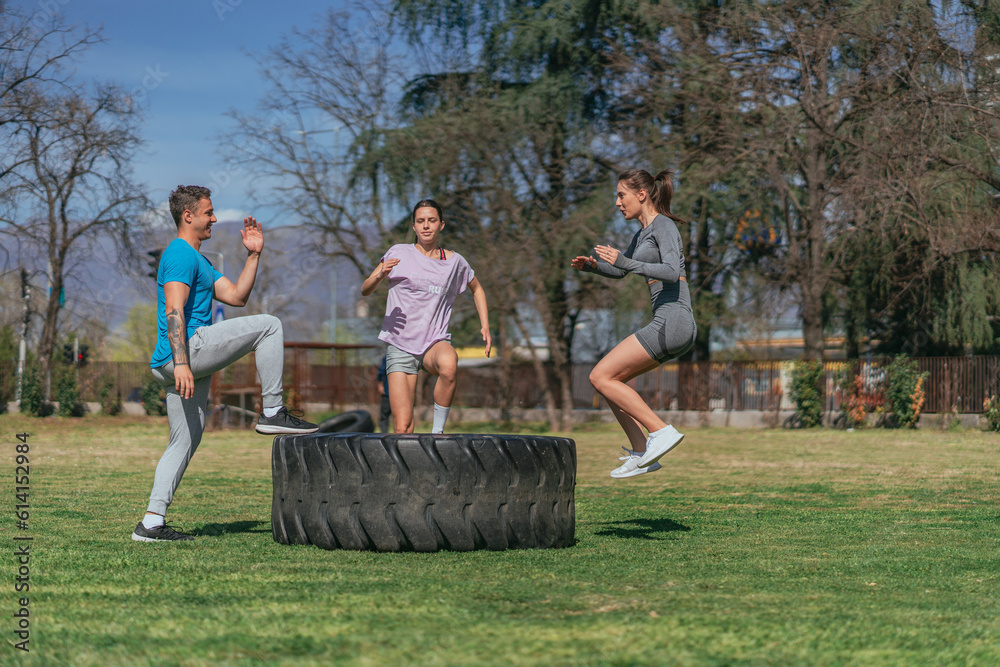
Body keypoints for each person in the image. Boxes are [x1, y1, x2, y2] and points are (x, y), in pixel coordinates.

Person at [132, 185, 318, 543]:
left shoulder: (199, 260)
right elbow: (174, 311)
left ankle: (151, 523)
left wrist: (253, 256)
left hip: (177, 359)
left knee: (183, 442)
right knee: (269, 325)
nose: (214, 218)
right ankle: (273, 411)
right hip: (184, 351)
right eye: (208, 212)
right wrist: (183, 362)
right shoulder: (179, 256)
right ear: (188, 216)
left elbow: (236, 296)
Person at [571, 169, 696, 478]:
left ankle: (660, 431)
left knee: (600, 375)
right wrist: (595, 268)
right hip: (670, 323)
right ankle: (641, 450)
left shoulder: (663, 226)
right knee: (610, 382)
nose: (617, 202)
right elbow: (621, 271)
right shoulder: (641, 233)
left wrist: (624, 262)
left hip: (673, 319)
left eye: (621, 195)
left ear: (641, 195)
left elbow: (670, 270)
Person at [361, 199, 491, 434]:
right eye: (420, 221)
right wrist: (380, 274)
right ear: (414, 226)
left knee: (449, 364)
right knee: (403, 427)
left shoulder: (455, 262)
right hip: (400, 345)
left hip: (433, 343)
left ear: (441, 225)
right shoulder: (398, 252)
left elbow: (477, 289)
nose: (426, 226)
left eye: (431, 220)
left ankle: (437, 433)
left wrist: (485, 326)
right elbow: (365, 289)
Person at [376, 354, 391, 433]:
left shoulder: (388, 355)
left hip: (388, 392)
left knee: (384, 418)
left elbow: (381, 372)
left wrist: (380, 385)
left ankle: (384, 437)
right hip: (389, 392)